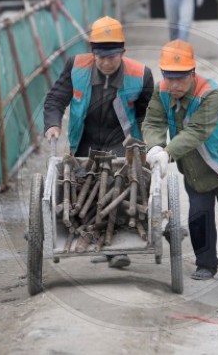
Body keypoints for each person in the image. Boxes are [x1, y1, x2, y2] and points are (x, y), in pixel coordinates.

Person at [142, 39, 218, 280]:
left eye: (181, 77)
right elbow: (154, 121)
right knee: (198, 213)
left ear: (192, 73)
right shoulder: (161, 90)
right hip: (195, 165)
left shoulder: (211, 94)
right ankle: (205, 264)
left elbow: (197, 131)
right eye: (169, 76)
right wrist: (155, 146)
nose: (174, 84)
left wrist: (168, 152)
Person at [44, 16, 154, 268]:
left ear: (123, 52)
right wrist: (52, 124)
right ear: (92, 51)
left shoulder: (141, 74)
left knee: (117, 185)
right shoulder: (76, 66)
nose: (105, 62)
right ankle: (90, 233)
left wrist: (149, 142)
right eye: (100, 56)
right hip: (85, 140)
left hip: (121, 140)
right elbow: (56, 99)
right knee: (83, 186)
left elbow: (149, 113)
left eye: (112, 57)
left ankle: (114, 248)